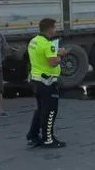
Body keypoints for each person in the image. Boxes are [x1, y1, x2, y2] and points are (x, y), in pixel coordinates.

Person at [26, 18, 67, 149]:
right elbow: (53, 62)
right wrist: (61, 55)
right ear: (49, 29)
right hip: (47, 82)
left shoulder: (34, 41)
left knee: (40, 110)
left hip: (36, 80)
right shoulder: (48, 44)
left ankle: (33, 135)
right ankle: (48, 139)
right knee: (50, 111)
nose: (55, 30)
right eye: (54, 27)